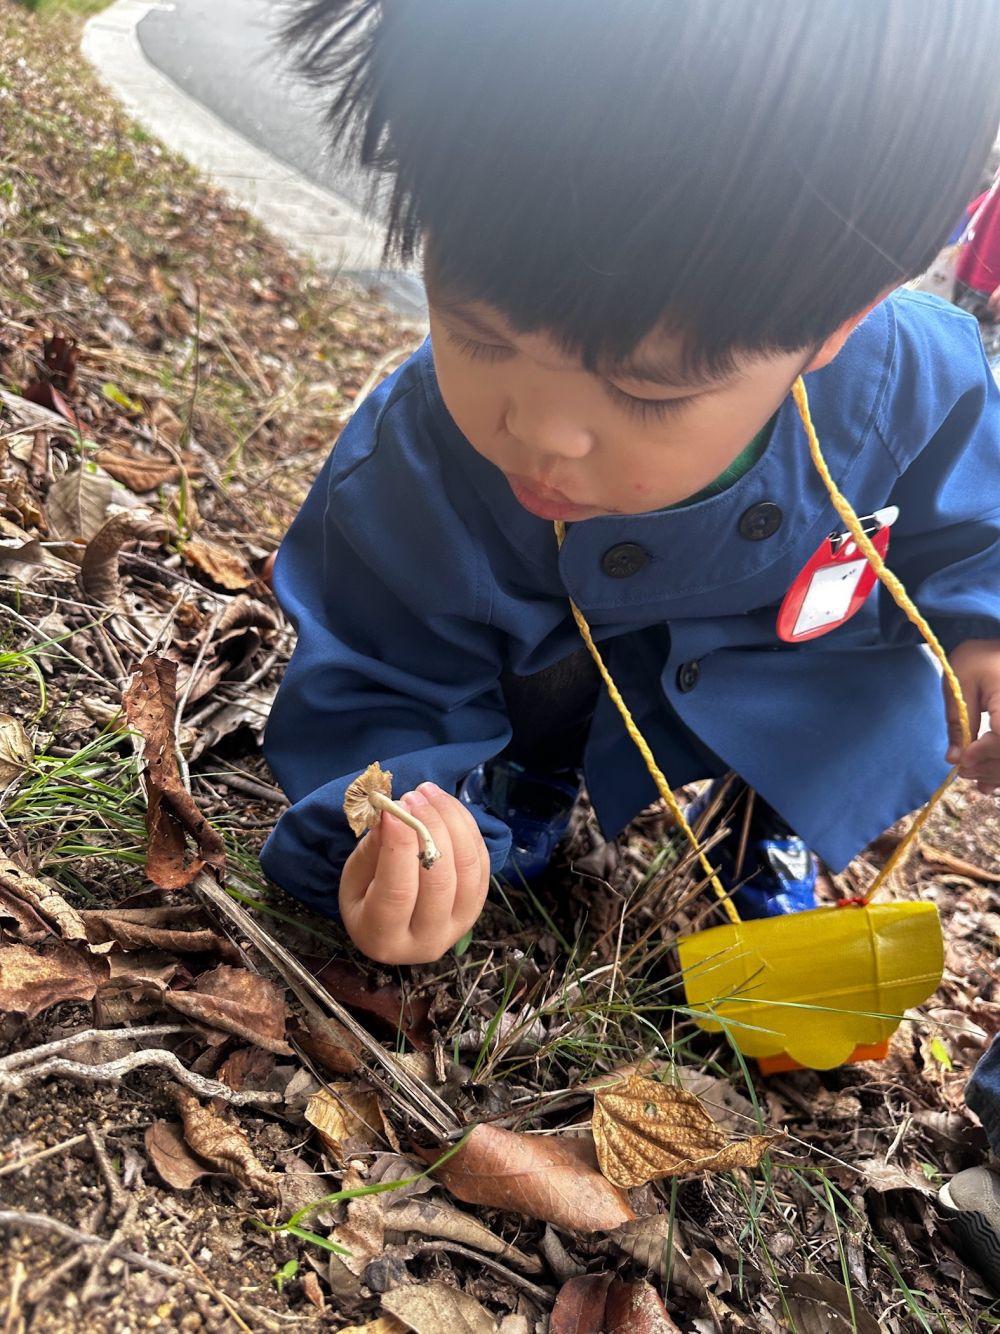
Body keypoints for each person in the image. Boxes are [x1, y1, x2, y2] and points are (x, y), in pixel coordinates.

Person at [260, 0, 1000, 970]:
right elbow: (376, 661)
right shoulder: (417, 456)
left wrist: (983, 622)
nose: (539, 432)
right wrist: (381, 826)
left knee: (888, 674)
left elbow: (976, 518)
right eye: (482, 333)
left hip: (792, 650)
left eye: (648, 388)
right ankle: (519, 778)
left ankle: (757, 827)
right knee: (533, 644)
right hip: (571, 658)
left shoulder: (918, 380)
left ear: (839, 324)